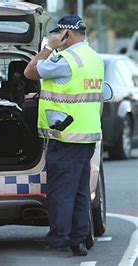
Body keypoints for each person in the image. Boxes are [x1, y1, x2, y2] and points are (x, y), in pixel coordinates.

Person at [24, 15, 104, 256]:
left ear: (66, 34)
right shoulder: (93, 58)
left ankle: (59, 237)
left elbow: (29, 72)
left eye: (59, 34)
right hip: (86, 136)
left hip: (66, 136)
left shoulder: (65, 60)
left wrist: (49, 47)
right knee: (80, 191)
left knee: (61, 191)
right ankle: (78, 239)